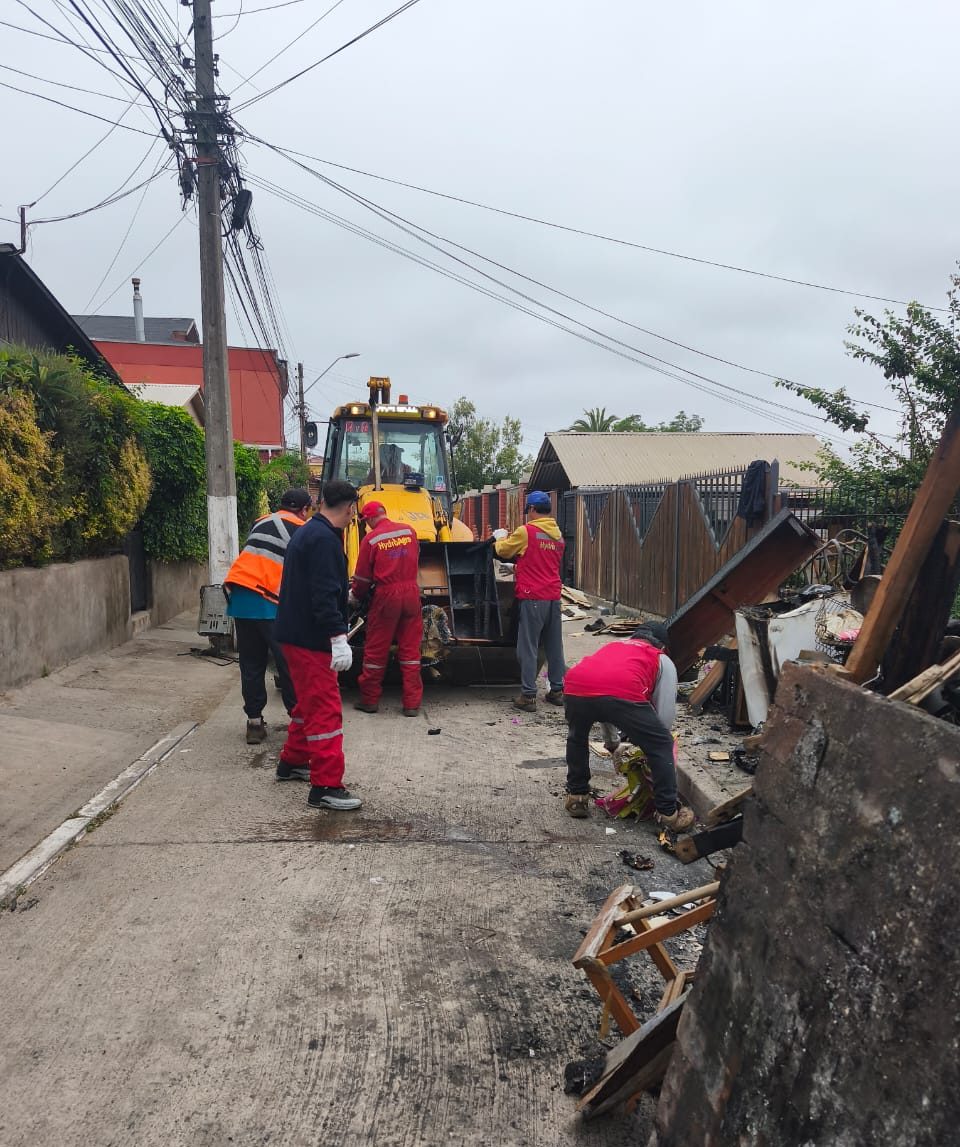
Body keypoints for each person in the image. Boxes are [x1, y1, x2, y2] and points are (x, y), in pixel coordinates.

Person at [273, 479, 362, 811]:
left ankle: (292, 762)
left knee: (306, 705)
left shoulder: (309, 531)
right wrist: (338, 637)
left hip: (294, 633)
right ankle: (325, 785)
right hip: (312, 638)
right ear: (350, 508)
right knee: (325, 709)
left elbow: (318, 585)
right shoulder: (325, 540)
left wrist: (345, 595)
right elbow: (322, 595)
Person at [561, 622, 694, 830]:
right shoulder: (661, 658)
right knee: (661, 743)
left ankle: (577, 796)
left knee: (577, 736)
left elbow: (601, 700)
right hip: (621, 694)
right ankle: (668, 813)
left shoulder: (613, 647)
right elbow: (665, 717)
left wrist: (613, 742)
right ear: (662, 646)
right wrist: (654, 743)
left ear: (635, 637)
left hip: (575, 686)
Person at [224, 488, 312, 744]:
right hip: (269, 601)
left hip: (240, 596)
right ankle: (298, 724)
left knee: (251, 663)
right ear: (304, 509)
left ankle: (254, 723)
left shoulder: (260, 521)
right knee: (289, 665)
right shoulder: (302, 529)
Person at [490, 490, 566, 711]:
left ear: (532, 509)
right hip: (553, 597)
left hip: (533, 597)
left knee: (528, 647)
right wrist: (518, 567)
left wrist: (500, 537)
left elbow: (503, 550)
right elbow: (540, 561)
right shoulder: (558, 535)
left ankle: (528, 695)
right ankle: (557, 691)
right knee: (554, 647)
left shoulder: (527, 531)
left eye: (528, 511)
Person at [350, 501, 423, 716]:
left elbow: (362, 578)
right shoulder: (409, 531)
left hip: (386, 596)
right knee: (410, 650)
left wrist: (355, 596)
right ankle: (412, 704)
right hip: (411, 592)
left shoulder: (370, 540)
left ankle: (370, 700)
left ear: (371, 519)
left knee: (376, 650)